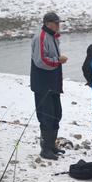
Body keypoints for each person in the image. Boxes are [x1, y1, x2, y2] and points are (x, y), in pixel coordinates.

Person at [30, 12, 68, 160]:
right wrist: (58, 61)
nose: (59, 26)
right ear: (48, 23)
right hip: (43, 84)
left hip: (53, 83)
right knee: (46, 116)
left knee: (56, 114)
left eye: (59, 23)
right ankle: (45, 149)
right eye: (56, 23)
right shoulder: (41, 37)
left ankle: (52, 145)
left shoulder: (53, 37)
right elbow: (40, 61)